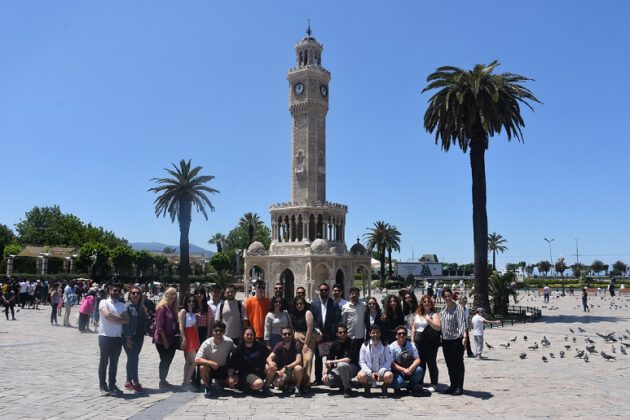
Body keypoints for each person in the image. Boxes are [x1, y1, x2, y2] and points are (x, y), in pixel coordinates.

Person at [98, 284, 129, 396]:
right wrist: (119, 318)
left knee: (114, 363)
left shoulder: (122, 305)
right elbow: (107, 316)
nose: (116, 293)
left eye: (118, 291)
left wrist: (113, 317)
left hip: (117, 337)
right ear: (109, 291)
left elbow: (127, 320)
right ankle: (102, 385)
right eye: (114, 290)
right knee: (104, 362)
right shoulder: (104, 302)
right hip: (105, 336)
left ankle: (112, 384)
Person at [195, 321, 236, 398]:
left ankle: (220, 382)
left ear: (224, 332)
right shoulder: (206, 343)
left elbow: (236, 353)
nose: (218, 332)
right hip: (211, 369)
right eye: (216, 330)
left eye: (221, 331)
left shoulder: (229, 342)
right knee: (202, 368)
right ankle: (208, 387)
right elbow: (197, 359)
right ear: (213, 331)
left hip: (223, 369)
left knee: (235, 381)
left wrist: (232, 373)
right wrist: (211, 363)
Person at [311, 282, 340, 384]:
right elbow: (313, 319)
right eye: (322, 290)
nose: (323, 291)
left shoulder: (334, 304)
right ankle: (318, 379)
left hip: (330, 335)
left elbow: (337, 319)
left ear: (328, 291)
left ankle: (329, 378)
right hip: (318, 335)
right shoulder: (314, 304)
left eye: (325, 290)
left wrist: (331, 331)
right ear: (319, 291)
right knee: (318, 357)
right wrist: (317, 330)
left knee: (330, 357)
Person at [440, 287, 467, 396]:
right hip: (445, 340)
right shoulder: (443, 308)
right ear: (442, 297)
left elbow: (462, 323)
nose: (447, 298)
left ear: (452, 295)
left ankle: (459, 387)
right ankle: (453, 385)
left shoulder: (458, 308)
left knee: (458, 364)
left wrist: (464, 336)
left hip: (456, 340)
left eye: (449, 296)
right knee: (450, 364)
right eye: (445, 296)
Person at [227, 327, 270, 394]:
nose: (249, 336)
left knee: (269, 366)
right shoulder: (238, 349)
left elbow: (269, 356)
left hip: (260, 371)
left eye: (251, 335)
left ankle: (265, 387)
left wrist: (270, 363)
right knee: (259, 384)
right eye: (247, 334)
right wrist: (231, 376)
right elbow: (231, 365)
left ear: (254, 336)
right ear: (243, 336)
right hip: (246, 374)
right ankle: (245, 386)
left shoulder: (260, 345)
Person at [412, 295, 441, 391]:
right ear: (422, 303)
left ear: (431, 304)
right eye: (424, 302)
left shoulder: (434, 315)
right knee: (420, 363)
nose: (426, 303)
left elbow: (438, 327)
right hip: (418, 342)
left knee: (431, 363)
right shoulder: (418, 314)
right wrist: (412, 341)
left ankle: (434, 383)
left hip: (430, 343)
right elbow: (413, 327)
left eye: (428, 302)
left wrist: (429, 320)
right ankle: (420, 382)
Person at [322, 323, 359, 398]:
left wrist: (332, 361)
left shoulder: (352, 342)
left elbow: (348, 360)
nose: (343, 334)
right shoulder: (334, 344)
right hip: (340, 368)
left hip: (353, 368)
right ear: (337, 334)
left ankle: (347, 389)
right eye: (340, 332)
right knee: (327, 380)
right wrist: (325, 373)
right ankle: (343, 383)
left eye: (345, 332)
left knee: (341, 365)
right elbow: (329, 362)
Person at [266, 326, 305, 396]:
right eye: (285, 334)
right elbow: (268, 358)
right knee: (276, 381)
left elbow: (298, 361)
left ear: (292, 335)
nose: (287, 335)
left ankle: (297, 388)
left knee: (299, 368)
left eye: (289, 334)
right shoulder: (279, 345)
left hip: (293, 371)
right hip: (283, 373)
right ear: (281, 335)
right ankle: (267, 388)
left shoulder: (297, 345)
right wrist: (271, 363)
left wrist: (286, 368)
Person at [357, 325, 393, 398]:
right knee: (360, 376)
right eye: (373, 333)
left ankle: (384, 388)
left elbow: (389, 361)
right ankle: (367, 387)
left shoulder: (385, 345)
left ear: (380, 334)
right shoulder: (364, 345)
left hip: (381, 373)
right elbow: (361, 361)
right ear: (370, 334)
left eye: (377, 333)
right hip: (369, 372)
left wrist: (380, 372)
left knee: (389, 376)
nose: (375, 334)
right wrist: (370, 373)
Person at [122, 285, 147, 393]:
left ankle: (128, 381)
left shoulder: (141, 307)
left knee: (132, 358)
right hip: (130, 336)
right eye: (133, 293)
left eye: (138, 293)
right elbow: (125, 323)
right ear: (130, 295)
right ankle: (136, 382)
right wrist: (128, 337)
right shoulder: (127, 307)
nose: (136, 295)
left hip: (139, 336)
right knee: (134, 358)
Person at [153, 287, 179, 389]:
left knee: (168, 360)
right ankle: (162, 380)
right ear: (166, 295)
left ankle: (163, 380)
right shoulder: (162, 308)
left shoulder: (172, 308)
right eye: (170, 294)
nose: (172, 296)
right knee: (164, 360)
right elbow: (159, 327)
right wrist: (165, 341)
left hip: (172, 338)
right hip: (162, 339)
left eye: (174, 294)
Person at [290, 295, 315, 391]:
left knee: (307, 360)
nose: (299, 305)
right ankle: (298, 383)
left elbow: (310, 329)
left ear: (304, 304)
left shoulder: (308, 312)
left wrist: (306, 343)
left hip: (307, 338)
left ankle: (305, 384)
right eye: (297, 304)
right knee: (298, 361)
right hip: (296, 339)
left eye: (301, 303)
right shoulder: (294, 314)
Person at [389, 325, 423, 395]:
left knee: (419, 370)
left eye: (404, 333)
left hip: (410, 368)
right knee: (398, 383)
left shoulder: (411, 345)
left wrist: (411, 368)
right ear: (396, 336)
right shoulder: (391, 347)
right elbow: (391, 364)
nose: (402, 335)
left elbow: (418, 359)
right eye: (399, 333)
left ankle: (411, 386)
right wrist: (404, 370)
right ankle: (397, 388)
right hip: (398, 370)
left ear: (406, 335)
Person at [192, 287, 212, 390]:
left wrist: (208, 337)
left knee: (201, 356)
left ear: (204, 295)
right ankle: (193, 378)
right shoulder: (192, 306)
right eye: (197, 293)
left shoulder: (207, 307)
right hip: (193, 333)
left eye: (201, 293)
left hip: (204, 332)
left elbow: (209, 324)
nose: (199, 295)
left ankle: (199, 378)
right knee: (192, 356)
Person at [179, 293, 201, 390]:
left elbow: (195, 327)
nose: (191, 303)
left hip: (193, 337)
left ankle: (184, 383)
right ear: (186, 302)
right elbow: (180, 326)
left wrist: (198, 340)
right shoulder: (183, 311)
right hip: (188, 336)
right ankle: (187, 383)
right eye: (189, 301)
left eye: (193, 301)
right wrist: (184, 338)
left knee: (188, 362)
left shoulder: (192, 312)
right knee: (194, 361)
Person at [341, 287, 367, 363]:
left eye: (356, 293)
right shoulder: (345, 307)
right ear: (349, 295)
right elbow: (343, 322)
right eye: (352, 293)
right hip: (349, 336)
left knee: (361, 357)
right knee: (350, 358)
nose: (354, 295)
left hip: (360, 336)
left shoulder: (363, 306)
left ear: (359, 295)